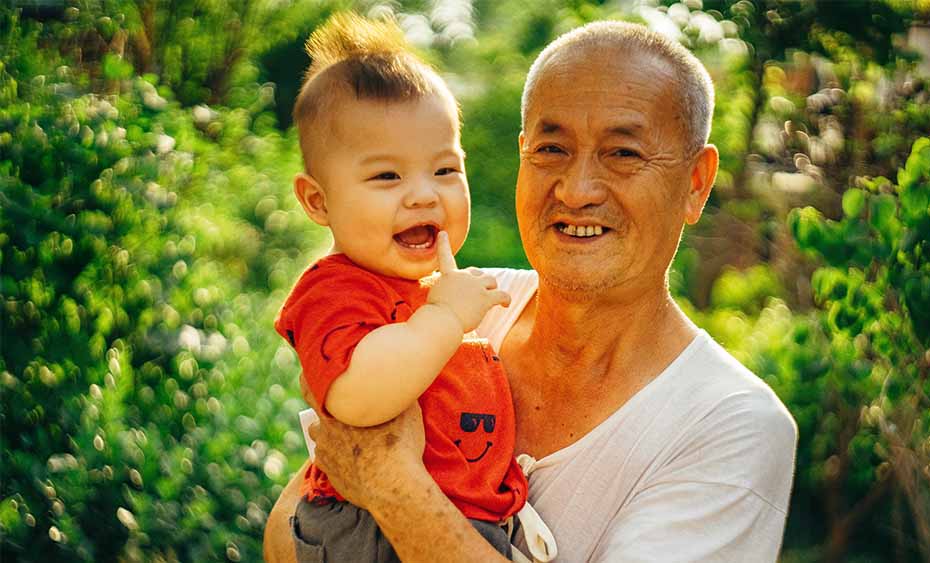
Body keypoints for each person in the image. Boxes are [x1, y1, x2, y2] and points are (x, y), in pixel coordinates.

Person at [265, 19, 797, 563]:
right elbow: (288, 536)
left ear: (695, 183)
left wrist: (393, 489)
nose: (577, 189)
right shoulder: (459, 305)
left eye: (624, 153)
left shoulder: (729, 425)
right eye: (551, 149)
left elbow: (361, 476)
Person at [274, 13, 555, 562]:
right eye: (387, 176)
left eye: (445, 171)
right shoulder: (335, 291)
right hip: (367, 532)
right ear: (317, 201)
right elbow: (355, 395)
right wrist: (446, 320)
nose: (424, 195)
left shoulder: (429, 289)